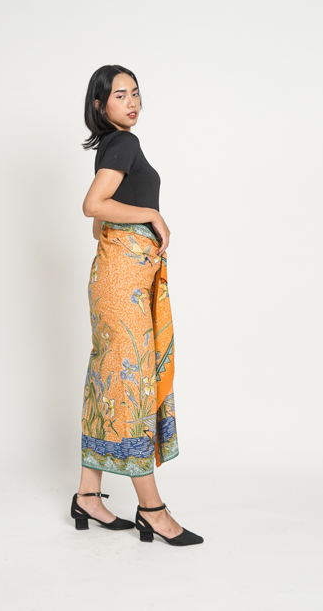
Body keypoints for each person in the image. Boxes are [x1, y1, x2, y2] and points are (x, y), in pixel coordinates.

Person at [71, 64, 203, 546]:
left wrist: (134, 233)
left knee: (110, 381)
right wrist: (151, 214)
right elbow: (93, 206)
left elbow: (99, 225)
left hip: (116, 276)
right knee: (130, 386)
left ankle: (88, 496)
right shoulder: (124, 144)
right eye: (120, 95)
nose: (132, 102)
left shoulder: (112, 146)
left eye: (135, 93)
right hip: (122, 280)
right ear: (100, 105)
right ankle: (152, 509)